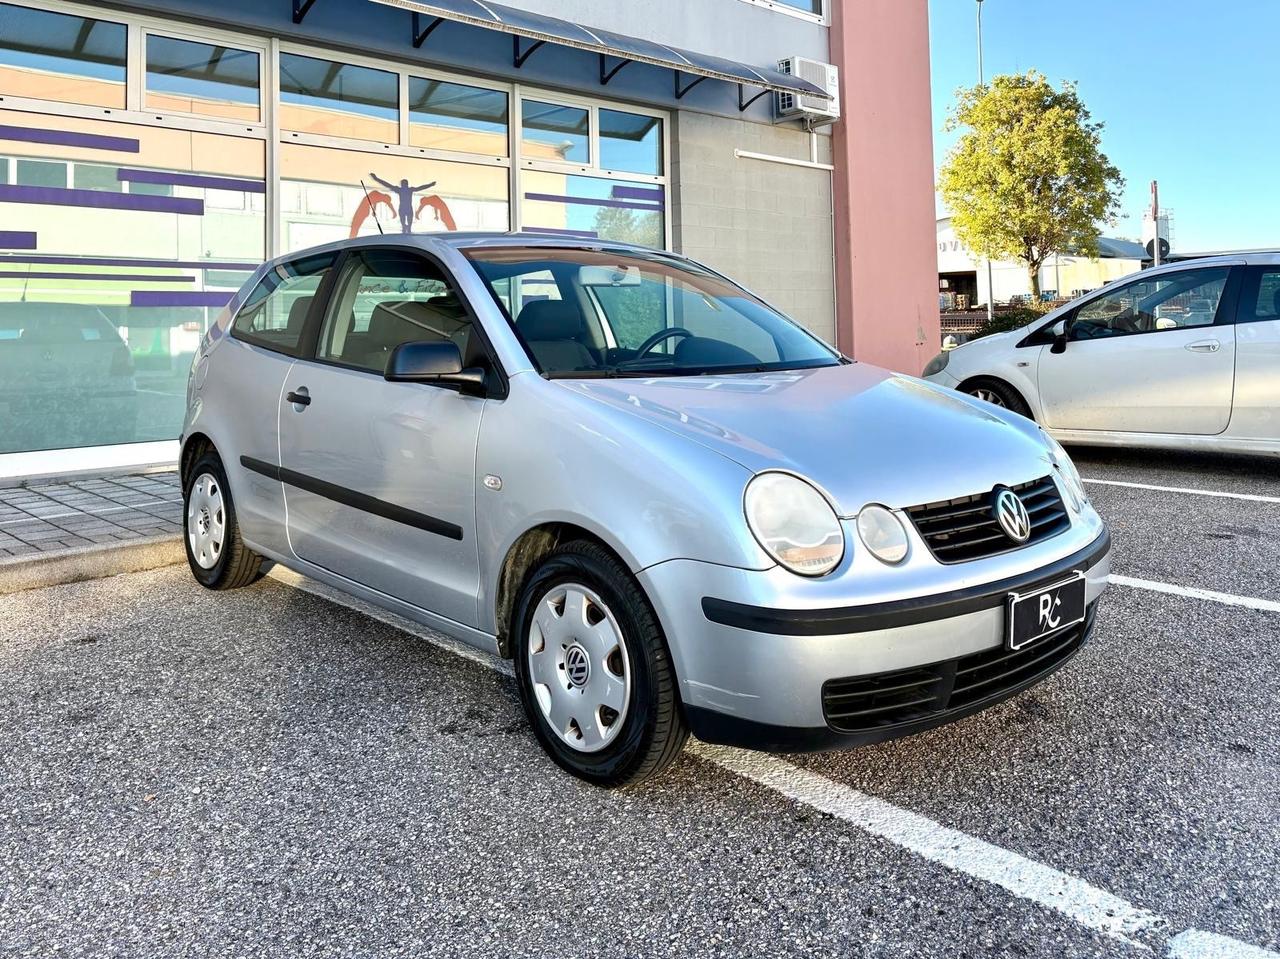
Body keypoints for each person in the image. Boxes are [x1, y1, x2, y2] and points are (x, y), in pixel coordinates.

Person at [369, 173, 437, 233]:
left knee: (407, 227)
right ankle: (406, 230)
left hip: (405, 209)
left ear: (404, 185)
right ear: (405, 185)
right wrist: (376, 178)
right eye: (404, 184)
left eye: (404, 184)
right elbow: (387, 184)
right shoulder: (406, 190)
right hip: (405, 209)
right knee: (405, 227)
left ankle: (406, 230)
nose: (404, 185)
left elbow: (387, 185)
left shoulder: (402, 190)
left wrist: (430, 185)